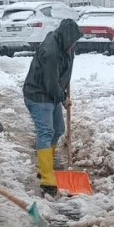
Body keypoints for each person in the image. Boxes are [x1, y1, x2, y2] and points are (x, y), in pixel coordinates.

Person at [23, 18, 82, 197]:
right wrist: (63, 99)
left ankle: (44, 165)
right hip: (38, 94)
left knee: (58, 129)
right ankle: (46, 179)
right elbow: (50, 83)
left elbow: (64, 69)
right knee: (46, 132)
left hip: (51, 94)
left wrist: (64, 85)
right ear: (65, 38)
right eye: (72, 42)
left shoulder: (66, 45)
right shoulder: (51, 52)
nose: (73, 45)